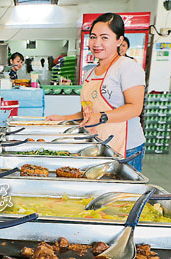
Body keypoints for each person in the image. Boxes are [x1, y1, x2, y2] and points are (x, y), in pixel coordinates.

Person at [46, 13, 145, 171]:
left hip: (125, 147)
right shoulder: (92, 72)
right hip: (99, 143)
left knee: (123, 194)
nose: (97, 43)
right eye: (93, 37)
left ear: (119, 40)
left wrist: (101, 117)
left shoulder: (126, 66)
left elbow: (135, 107)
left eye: (104, 37)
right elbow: (88, 113)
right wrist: (62, 119)